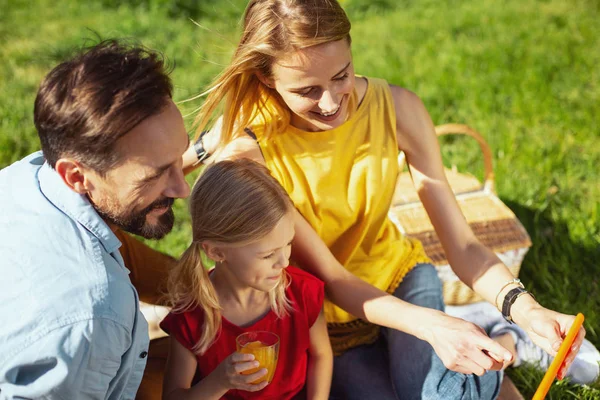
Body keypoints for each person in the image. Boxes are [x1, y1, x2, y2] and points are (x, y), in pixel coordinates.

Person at [182, 0, 587, 398]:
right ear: (267, 79)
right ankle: (485, 333)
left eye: (341, 75)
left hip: (398, 281)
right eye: (307, 90)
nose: (331, 103)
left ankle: (508, 333)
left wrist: (525, 308)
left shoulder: (398, 108)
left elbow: (462, 245)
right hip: (324, 319)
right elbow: (334, 280)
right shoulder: (251, 155)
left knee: (436, 395)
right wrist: (431, 327)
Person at [0, 40, 190, 399]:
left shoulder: (26, 177)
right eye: (154, 175)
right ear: (76, 175)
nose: (183, 189)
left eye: (180, 155)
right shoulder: (93, 314)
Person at [159, 158, 332, 400]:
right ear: (217, 252)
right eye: (268, 254)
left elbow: (321, 355)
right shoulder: (191, 317)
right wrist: (219, 382)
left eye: (288, 244)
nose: (283, 262)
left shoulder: (302, 291)